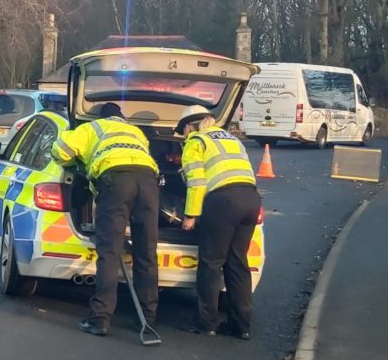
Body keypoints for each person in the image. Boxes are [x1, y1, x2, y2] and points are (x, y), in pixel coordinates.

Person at [51, 102, 160, 336]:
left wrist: (77, 165)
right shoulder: (135, 131)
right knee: (147, 252)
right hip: (148, 182)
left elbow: (59, 150)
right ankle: (148, 319)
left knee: (110, 252)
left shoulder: (92, 128)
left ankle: (100, 318)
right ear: (121, 116)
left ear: (100, 116)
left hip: (115, 181)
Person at [176, 105, 260, 340]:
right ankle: (241, 326)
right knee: (237, 263)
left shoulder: (196, 141)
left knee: (211, 263)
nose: (182, 136)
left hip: (223, 201)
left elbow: (197, 182)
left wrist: (191, 215)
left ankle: (206, 323)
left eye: (182, 131)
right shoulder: (232, 139)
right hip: (251, 199)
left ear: (188, 127)